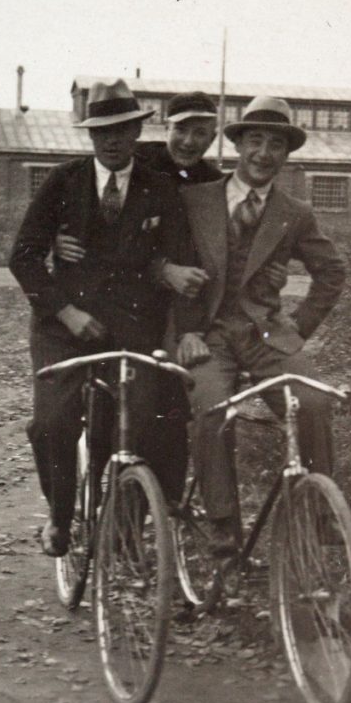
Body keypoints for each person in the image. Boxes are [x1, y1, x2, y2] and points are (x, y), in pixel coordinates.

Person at [51, 90, 287, 507]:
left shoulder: (214, 182)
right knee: (118, 415)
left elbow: (231, 244)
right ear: (164, 129)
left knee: (172, 420)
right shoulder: (131, 163)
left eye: (201, 133)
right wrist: (59, 238)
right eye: (181, 130)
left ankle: (165, 520)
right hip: (127, 309)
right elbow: (93, 221)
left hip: (182, 317)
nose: (189, 142)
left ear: (214, 135)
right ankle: (111, 518)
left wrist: (265, 268)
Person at [8, 78, 187, 557]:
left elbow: (178, 255)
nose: (112, 140)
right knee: (52, 425)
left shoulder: (159, 188)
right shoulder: (63, 182)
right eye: (101, 131)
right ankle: (60, 518)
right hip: (62, 326)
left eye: (122, 129)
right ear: (89, 136)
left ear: (135, 131)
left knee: (141, 419)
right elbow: (22, 257)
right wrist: (65, 312)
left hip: (129, 326)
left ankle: (123, 522)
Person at [173, 96, 347, 556]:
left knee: (311, 403)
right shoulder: (194, 201)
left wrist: (297, 330)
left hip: (266, 334)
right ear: (237, 146)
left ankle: (321, 513)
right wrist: (185, 330)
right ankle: (224, 520)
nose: (264, 154)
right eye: (255, 141)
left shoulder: (294, 212)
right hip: (207, 336)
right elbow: (163, 265)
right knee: (211, 408)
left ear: (286, 154)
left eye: (275, 145)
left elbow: (331, 273)